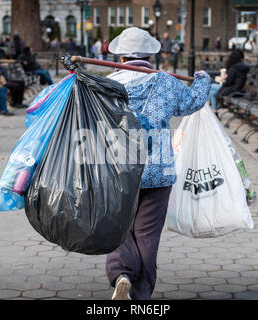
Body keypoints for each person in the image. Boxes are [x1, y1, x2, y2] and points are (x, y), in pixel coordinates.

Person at [105, 27, 211, 300]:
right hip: (158, 171)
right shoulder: (164, 82)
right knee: (148, 235)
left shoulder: (107, 86)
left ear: (120, 58)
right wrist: (202, 79)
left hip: (118, 171)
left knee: (120, 228)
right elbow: (193, 101)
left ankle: (122, 273)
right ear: (150, 56)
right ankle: (141, 296)